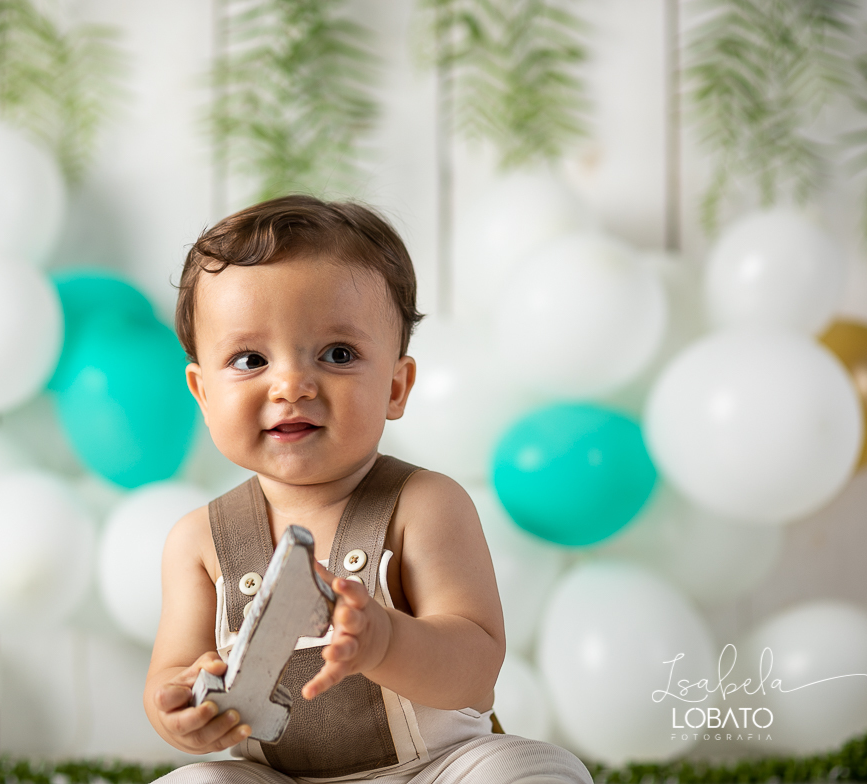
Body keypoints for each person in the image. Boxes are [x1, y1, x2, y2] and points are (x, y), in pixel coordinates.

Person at [144, 194, 592, 784]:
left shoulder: (425, 506)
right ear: (202, 395)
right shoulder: (199, 541)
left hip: (434, 770)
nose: (291, 385)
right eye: (251, 359)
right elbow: (170, 675)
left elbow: (476, 670)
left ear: (395, 387)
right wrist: (179, 712)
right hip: (282, 782)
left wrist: (385, 641)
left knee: (531, 773)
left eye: (337, 354)